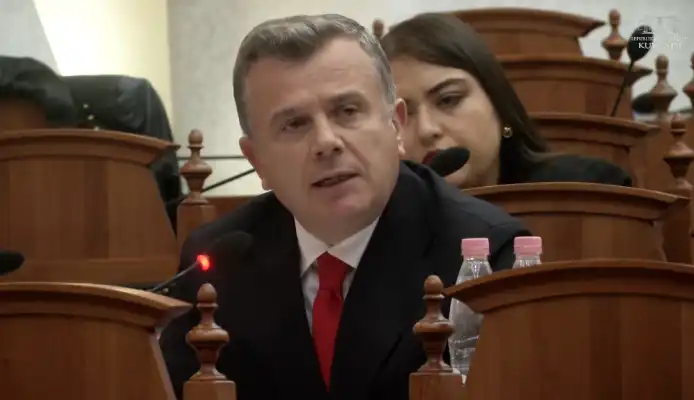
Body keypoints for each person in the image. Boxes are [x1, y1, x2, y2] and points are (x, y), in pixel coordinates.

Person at [160, 14, 530, 400]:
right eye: (294, 124)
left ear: (395, 126)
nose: (326, 142)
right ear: (258, 161)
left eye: (347, 111)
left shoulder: (485, 255)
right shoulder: (219, 264)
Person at [379, 13, 633, 189]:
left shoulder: (587, 189)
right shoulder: (379, 228)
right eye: (402, 116)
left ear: (498, 105)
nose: (426, 130)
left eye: (448, 100)